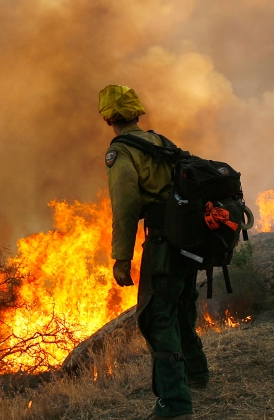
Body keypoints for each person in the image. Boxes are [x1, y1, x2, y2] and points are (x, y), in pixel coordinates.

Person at [99, 84, 209, 420]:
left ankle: (174, 405)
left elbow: (126, 207)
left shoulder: (122, 152)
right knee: (181, 306)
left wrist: (122, 258)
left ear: (108, 118)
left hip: (162, 242)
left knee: (156, 317)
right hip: (187, 240)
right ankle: (197, 374)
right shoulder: (161, 142)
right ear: (136, 112)